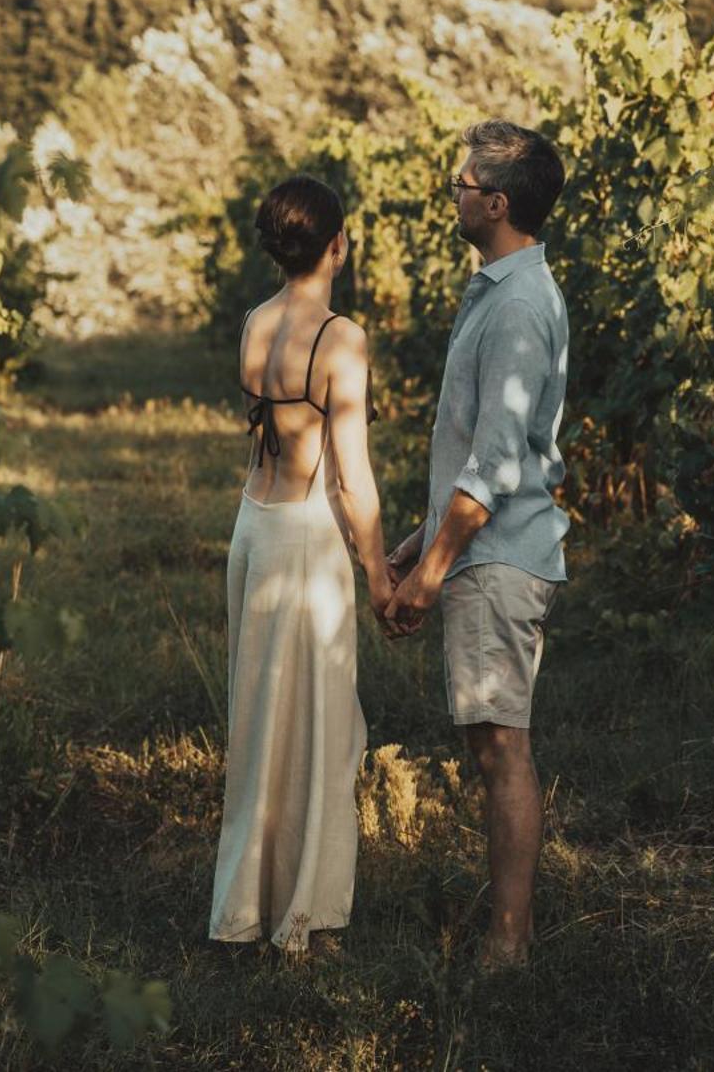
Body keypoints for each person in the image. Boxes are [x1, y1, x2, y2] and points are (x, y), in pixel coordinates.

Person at [381, 120, 570, 969]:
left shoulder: (521, 305)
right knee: (494, 743)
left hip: (495, 558)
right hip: (482, 545)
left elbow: (496, 465)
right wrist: (418, 535)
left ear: (496, 203)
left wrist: (431, 572)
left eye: (462, 182)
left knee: (503, 749)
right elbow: (487, 446)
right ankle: (508, 929)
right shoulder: (499, 289)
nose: (453, 192)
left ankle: (508, 943)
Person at [209, 175, 392, 954]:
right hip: (308, 541)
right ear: (337, 245)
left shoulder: (254, 321)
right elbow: (351, 477)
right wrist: (382, 576)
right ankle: (309, 921)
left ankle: (247, 907)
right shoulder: (339, 338)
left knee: (258, 727)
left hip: (253, 528)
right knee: (317, 729)